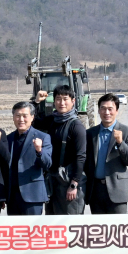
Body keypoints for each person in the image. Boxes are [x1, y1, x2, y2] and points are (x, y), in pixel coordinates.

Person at [84, 93, 128, 214]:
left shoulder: (127, 132)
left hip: (118, 190)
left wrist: (120, 142)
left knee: (118, 229)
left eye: (110, 109)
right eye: (103, 108)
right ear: (98, 110)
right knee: (99, 229)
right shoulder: (90, 133)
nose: (106, 112)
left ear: (117, 110)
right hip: (96, 189)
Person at [41, 85, 87, 215]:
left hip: (68, 181)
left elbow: (81, 157)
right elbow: (31, 122)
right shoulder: (52, 120)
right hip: (52, 180)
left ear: (73, 101)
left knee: (69, 223)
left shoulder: (76, 126)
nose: (61, 103)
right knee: (52, 222)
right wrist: (36, 102)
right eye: (58, 99)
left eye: (65, 99)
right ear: (54, 101)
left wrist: (74, 184)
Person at [6, 101, 52, 216]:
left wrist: (39, 150)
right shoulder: (8, 139)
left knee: (33, 231)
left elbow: (47, 164)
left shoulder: (43, 137)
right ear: (13, 118)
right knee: (14, 232)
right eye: (17, 116)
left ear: (32, 117)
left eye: (25, 116)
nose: (21, 119)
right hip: (12, 196)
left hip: (33, 195)